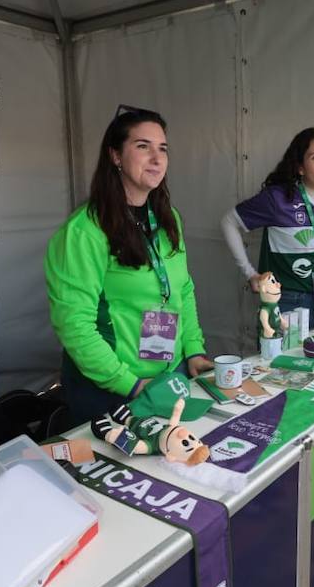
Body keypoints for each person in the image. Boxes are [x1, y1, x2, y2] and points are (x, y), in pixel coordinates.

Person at [45, 105, 213, 424]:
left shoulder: (168, 218)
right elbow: (74, 325)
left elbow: (182, 291)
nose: (157, 157)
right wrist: (131, 384)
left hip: (168, 373)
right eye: (142, 146)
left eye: (162, 148)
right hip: (111, 387)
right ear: (116, 156)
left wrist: (193, 349)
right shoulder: (85, 231)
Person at [221, 127, 314, 329]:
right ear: (300, 167)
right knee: (279, 361)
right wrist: (250, 273)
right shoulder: (278, 198)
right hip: (287, 300)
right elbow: (229, 222)